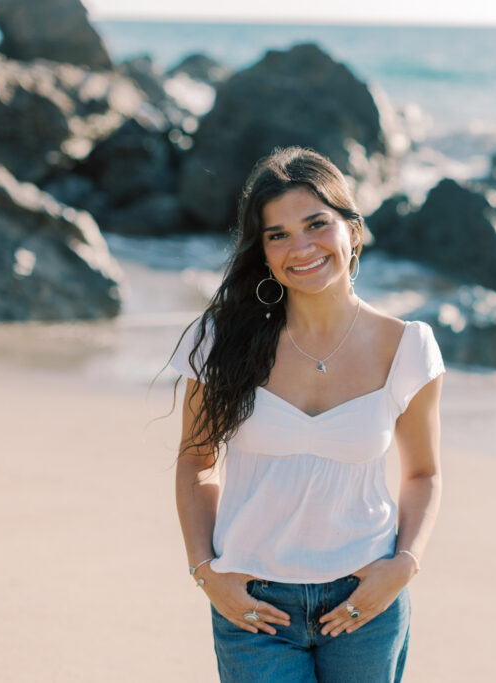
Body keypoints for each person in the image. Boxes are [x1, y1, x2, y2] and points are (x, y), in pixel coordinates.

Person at [170, 146, 445, 682]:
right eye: (278, 234)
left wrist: (402, 567)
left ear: (352, 231)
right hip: (253, 606)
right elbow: (197, 462)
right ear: (264, 251)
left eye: (317, 224)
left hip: (365, 601)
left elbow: (424, 473)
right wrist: (206, 573)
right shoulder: (222, 340)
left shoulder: (407, 347)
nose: (302, 247)